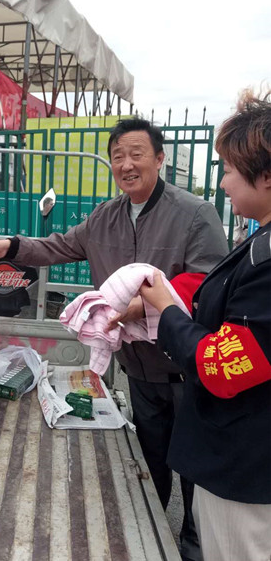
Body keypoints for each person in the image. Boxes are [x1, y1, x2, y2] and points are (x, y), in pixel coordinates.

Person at [0, 117, 229, 560]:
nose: (126, 164)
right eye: (118, 156)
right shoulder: (105, 217)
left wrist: (141, 307)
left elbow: (207, 284)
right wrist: (11, 247)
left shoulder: (194, 214)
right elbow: (57, 246)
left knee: (195, 468)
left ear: (160, 158)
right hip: (139, 367)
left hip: (187, 368)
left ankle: (194, 548)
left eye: (137, 154)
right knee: (151, 458)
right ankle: (150, 539)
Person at [139, 91, 271, 561]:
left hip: (244, 467)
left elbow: (225, 366)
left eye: (230, 169)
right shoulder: (258, 243)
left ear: (267, 175)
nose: (224, 181)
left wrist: (165, 309)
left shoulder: (266, 260)